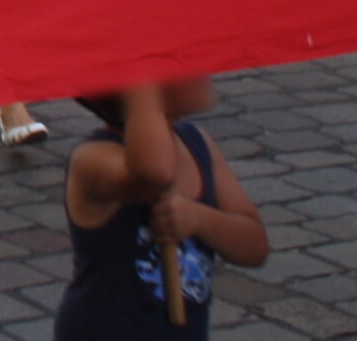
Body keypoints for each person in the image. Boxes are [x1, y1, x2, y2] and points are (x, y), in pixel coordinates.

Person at [56, 82, 267, 337]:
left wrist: (200, 219)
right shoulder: (92, 158)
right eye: (178, 59)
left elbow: (255, 247)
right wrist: (141, 77)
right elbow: (155, 176)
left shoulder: (196, 143)